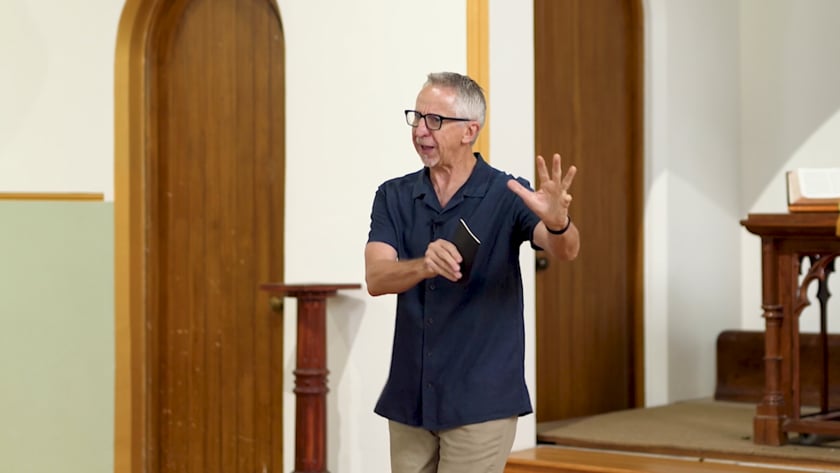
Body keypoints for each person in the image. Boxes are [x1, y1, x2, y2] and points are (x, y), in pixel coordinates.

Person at [364, 71, 580, 473]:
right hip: (411, 398)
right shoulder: (393, 195)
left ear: (470, 131)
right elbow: (377, 278)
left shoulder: (507, 194)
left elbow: (565, 250)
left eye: (434, 120)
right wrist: (424, 265)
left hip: (480, 400)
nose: (420, 130)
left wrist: (558, 223)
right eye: (416, 117)